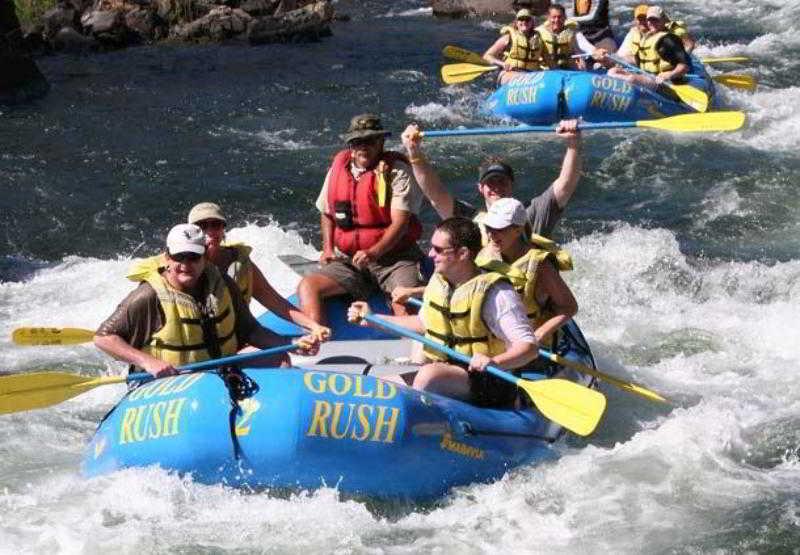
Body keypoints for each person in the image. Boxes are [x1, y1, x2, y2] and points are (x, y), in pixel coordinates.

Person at [348, 218, 539, 408]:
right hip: (446, 371)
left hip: (489, 378)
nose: (430, 254)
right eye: (432, 247)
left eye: (438, 250)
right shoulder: (440, 281)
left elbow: (529, 348)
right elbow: (423, 323)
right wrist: (372, 318)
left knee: (428, 376)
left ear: (463, 253)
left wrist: (494, 361)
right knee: (374, 388)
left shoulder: (497, 294)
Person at [95, 224, 319, 378]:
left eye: (193, 257)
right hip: (171, 380)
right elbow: (104, 338)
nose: (186, 264)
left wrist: (291, 346)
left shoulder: (223, 285)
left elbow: (250, 330)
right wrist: (148, 362)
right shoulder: (148, 295)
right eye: (179, 257)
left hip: (217, 370)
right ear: (167, 258)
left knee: (279, 361)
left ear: (204, 257)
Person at [128, 202, 330, 342]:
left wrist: (312, 326)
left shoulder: (239, 265)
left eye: (215, 225)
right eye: (201, 226)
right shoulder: (176, 268)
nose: (209, 232)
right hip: (194, 349)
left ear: (223, 229)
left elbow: (276, 303)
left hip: (232, 341)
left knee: (283, 358)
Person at [298, 113, 425, 325]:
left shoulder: (397, 171)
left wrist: (373, 252)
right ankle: (316, 339)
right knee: (308, 287)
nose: (363, 147)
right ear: (350, 145)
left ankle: (416, 353)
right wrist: (328, 249)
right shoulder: (338, 169)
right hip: (351, 259)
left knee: (403, 302)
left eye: (370, 141)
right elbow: (327, 213)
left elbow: (401, 223)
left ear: (381, 142)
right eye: (357, 142)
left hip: (395, 258)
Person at [399, 119, 581, 241]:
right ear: (480, 188)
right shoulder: (470, 221)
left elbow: (565, 184)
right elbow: (435, 194)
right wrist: (414, 153)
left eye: (502, 181)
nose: (497, 187)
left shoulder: (531, 214)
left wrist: (573, 143)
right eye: (490, 183)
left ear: (512, 185)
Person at [476, 198, 577, 351]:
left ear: (518, 230)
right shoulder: (487, 253)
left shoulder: (540, 265)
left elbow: (570, 307)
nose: (492, 235)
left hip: (531, 341)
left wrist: (539, 334)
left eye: (500, 229)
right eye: (489, 228)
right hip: (497, 338)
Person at [608, 6, 690, 89]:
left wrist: (670, 74)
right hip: (648, 76)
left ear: (663, 21)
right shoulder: (646, 38)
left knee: (631, 79)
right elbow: (637, 60)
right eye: (649, 20)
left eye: (655, 20)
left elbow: (684, 67)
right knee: (612, 72)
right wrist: (611, 58)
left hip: (665, 82)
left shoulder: (669, 39)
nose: (651, 23)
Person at [483, 9, 546, 85]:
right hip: (510, 73)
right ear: (516, 22)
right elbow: (487, 56)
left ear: (532, 22)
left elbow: (549, 61)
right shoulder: (508, 38)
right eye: (521, 19)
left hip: (531, 75)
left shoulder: (539, 40)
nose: (524, 22)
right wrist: (502, 64)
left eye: (527, 19)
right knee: (523, 79)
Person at [537, 4, 586, 70]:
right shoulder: (539, 32)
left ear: (565, 17)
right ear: (548, 17)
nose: (557, 20)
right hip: (546, 71)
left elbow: (577, 50)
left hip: (566, 69)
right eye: (554, 17)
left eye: (559, 17)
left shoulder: (570, 32)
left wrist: (582, 63)